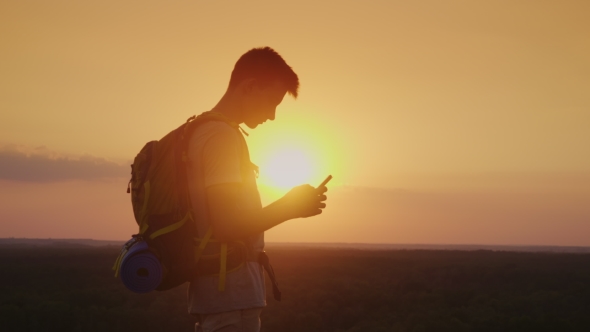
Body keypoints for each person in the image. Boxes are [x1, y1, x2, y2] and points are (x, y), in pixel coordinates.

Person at [186, 47, 329, 332]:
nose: (273, 115)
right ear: (250, 87)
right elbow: (226, 225)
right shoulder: (221, 137)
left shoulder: (201, 130)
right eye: (272, 102)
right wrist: (290, 207)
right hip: (231, 299)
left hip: (219, 297)